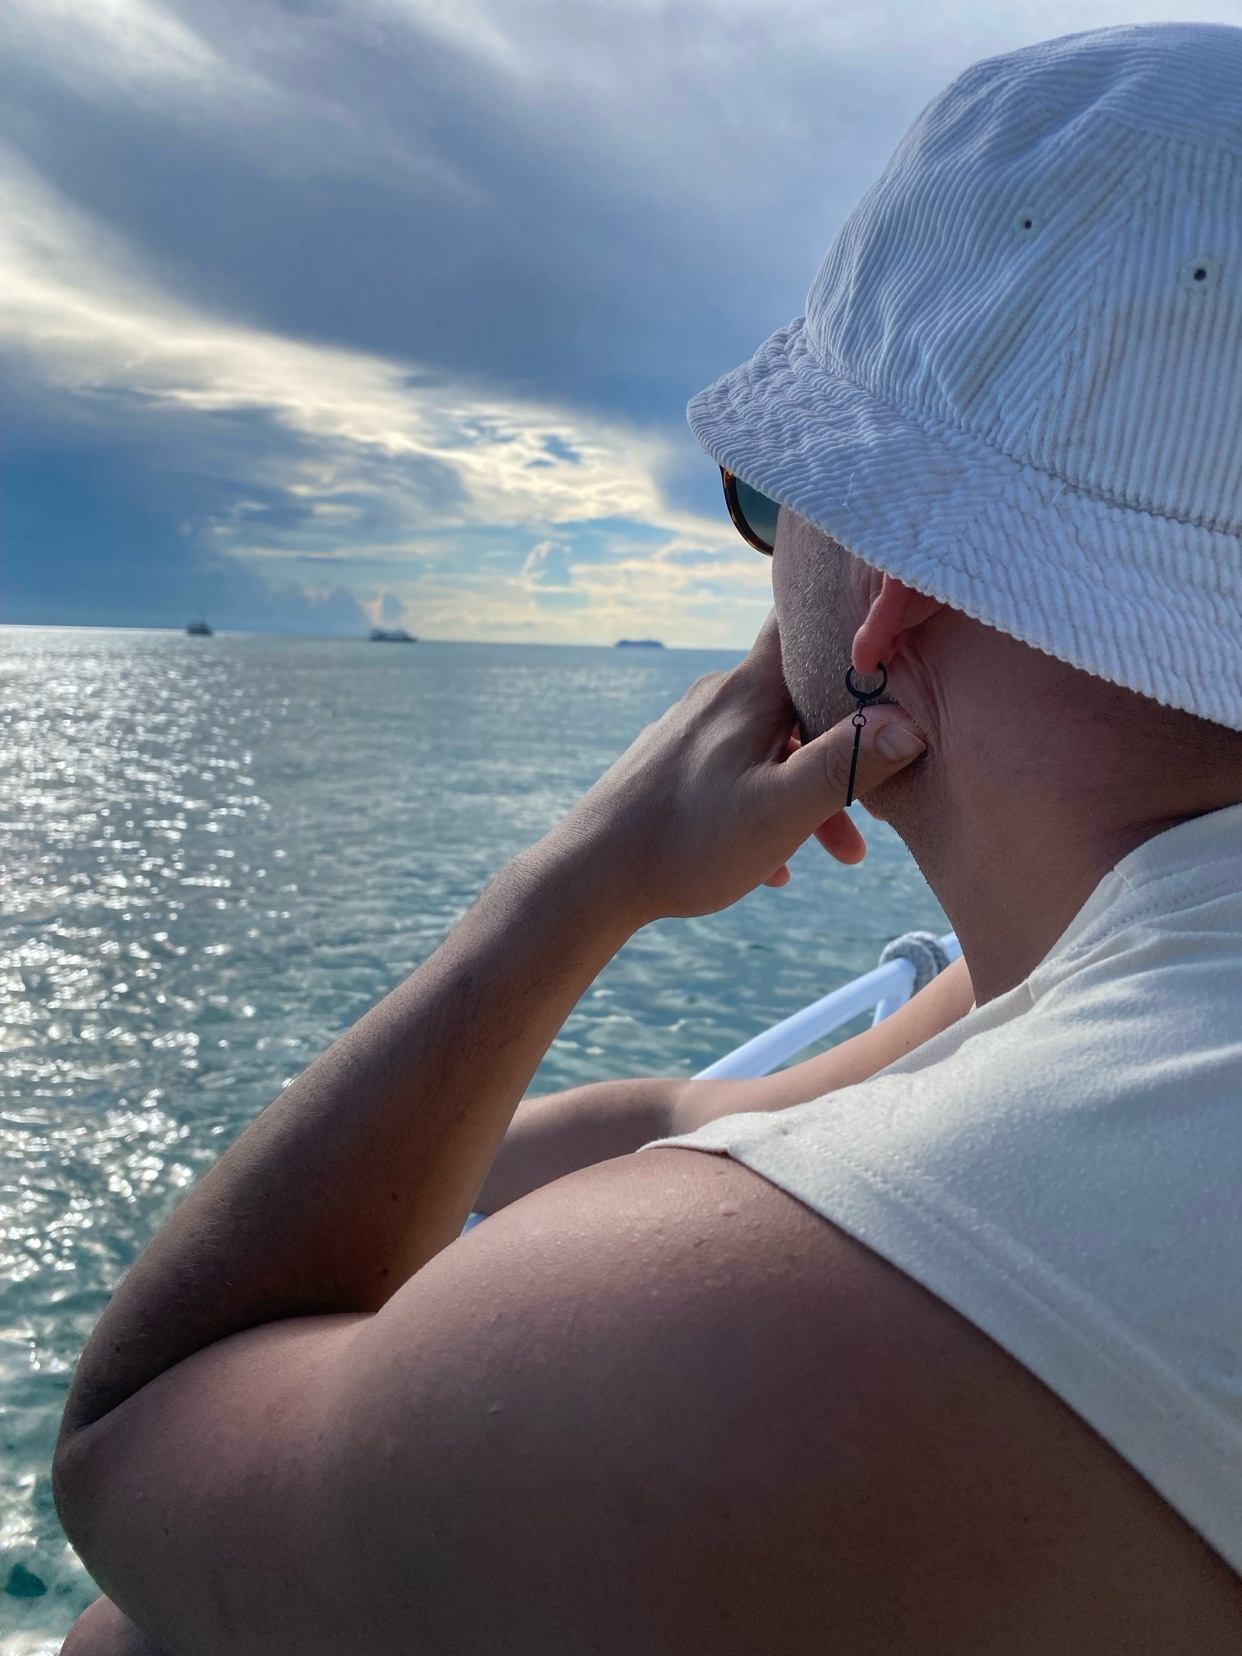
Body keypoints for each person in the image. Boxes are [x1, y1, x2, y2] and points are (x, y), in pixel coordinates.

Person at [56, 23, 1242, 1655]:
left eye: (773, 499)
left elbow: (135, 1444)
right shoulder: (1144, 978)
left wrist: (570, 887)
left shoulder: (758, 1349)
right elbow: (693, 1115)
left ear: (891, 604)